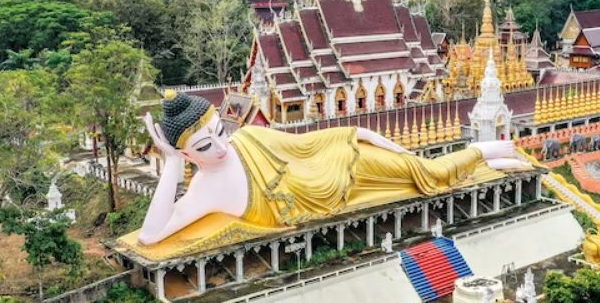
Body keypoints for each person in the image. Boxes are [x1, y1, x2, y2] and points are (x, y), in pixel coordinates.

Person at [139, 91, 529, 245]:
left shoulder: (247, 140)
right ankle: (484, 153)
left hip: (346, 162)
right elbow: (151, 236)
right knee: (432, 178)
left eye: (220, 131)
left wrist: (364, 134)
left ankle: (486, 152)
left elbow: (308, 144)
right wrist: (172, 163)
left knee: (429, 173)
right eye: (205, 146)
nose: (222, 146)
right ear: (189, 155)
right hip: (342, 195)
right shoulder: (206, 191)